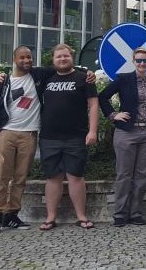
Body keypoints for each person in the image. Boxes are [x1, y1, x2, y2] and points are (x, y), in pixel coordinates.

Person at [0, 46, 49, 234]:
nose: (27, 60)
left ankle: (10, 216)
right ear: (14, 59)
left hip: (29, 134)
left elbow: (65, 67)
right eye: (22, 57)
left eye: (29, 57)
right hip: (7, 134)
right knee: (2, 176)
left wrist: (89, 73)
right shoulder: (4, 83)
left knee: (20, 178)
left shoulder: (38, 77)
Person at [99, 48, 146, 227]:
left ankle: (135, 212)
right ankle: (120, 213)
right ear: (133, 61)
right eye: (139, 60)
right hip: (127, 132)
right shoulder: (124, 79)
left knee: (142, 175)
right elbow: (103, 96)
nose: (142, 64)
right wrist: (113, 115)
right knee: (124, 174)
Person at [38, 44, 98, 231]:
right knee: (52, 177)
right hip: (49, 136)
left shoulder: (84, 79)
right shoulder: (46, 78)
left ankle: (81, 216)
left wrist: (93, 131)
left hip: (76, 136)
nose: (62, 59)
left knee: (76, 176)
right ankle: (50, 217)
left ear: (72, 58)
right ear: (53, 59)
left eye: (66, 56)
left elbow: (93, 106)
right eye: (58, 57)